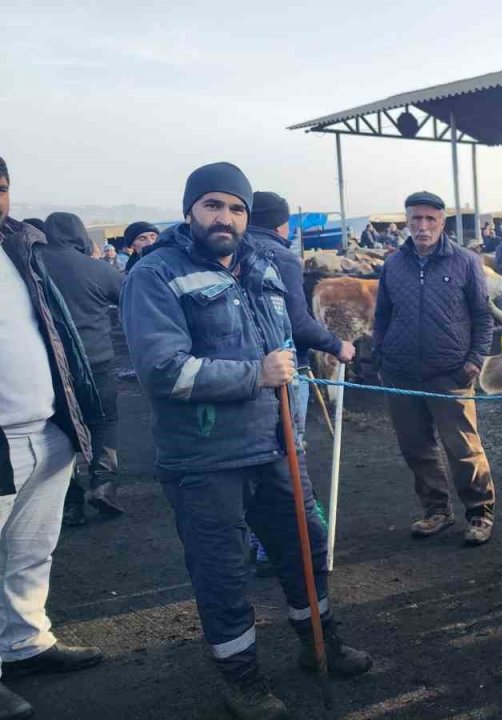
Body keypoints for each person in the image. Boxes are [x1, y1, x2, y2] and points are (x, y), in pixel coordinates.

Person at [121, 162, 371, 719]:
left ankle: (320, 644)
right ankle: (242, 680)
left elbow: (284, 339)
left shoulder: (262, 267)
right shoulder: (155, 275)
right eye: (213, 205)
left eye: (236, 208)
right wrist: (255, 374)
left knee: (306, 547)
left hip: (275, 445)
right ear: (190, 210)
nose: (225, 217)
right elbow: (162, 371)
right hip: (204, 457)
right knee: (223, 572)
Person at [0, 156, 104, 720]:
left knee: (31, 549)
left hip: (47, 425)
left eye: (1, 188)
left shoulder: (20, 250)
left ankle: (24, 643)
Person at [373, 191, 496, 545]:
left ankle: (480, 512)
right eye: (416, 218)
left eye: (430, 219)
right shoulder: (394, 264)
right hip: (401, 374)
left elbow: (482, 316)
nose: (423, 226)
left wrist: (474, 361)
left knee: (463, 448)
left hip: (450, 372)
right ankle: (436, 510)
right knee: (416, 447)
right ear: (407, 221)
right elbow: (382, 315)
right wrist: (381, 355)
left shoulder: (466, 262)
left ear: (442, 222)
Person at [244, 191, 356, 575]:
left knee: (252, 455)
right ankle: (280, 547)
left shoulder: (226, 252)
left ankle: (256, 538)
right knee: (286, 453)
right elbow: (297, 322)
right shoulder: (280, 256)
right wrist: (338, 345)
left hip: (242, 373)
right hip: (284, 369)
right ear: (283, 224)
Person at [38, 212, 126, 526]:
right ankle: (103, 485)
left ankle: (69, 503)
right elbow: (131, 298)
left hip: (49, 366)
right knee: (103, 422)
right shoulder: (97, 269)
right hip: (96, 361)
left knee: (58, 430)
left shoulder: (32, 267)